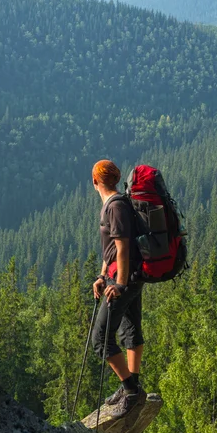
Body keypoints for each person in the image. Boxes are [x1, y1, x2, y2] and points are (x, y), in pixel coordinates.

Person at [91, 159, 147, 418]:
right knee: (131, 330)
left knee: (101, 338)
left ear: (95, 182)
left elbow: (123, 247)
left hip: (126, 278)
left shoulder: (114, 207)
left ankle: (131, 389)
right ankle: (131, 387)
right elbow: (112, 249)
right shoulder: (116, 204)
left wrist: (120, 284)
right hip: (128, 275)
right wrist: (102, 275)